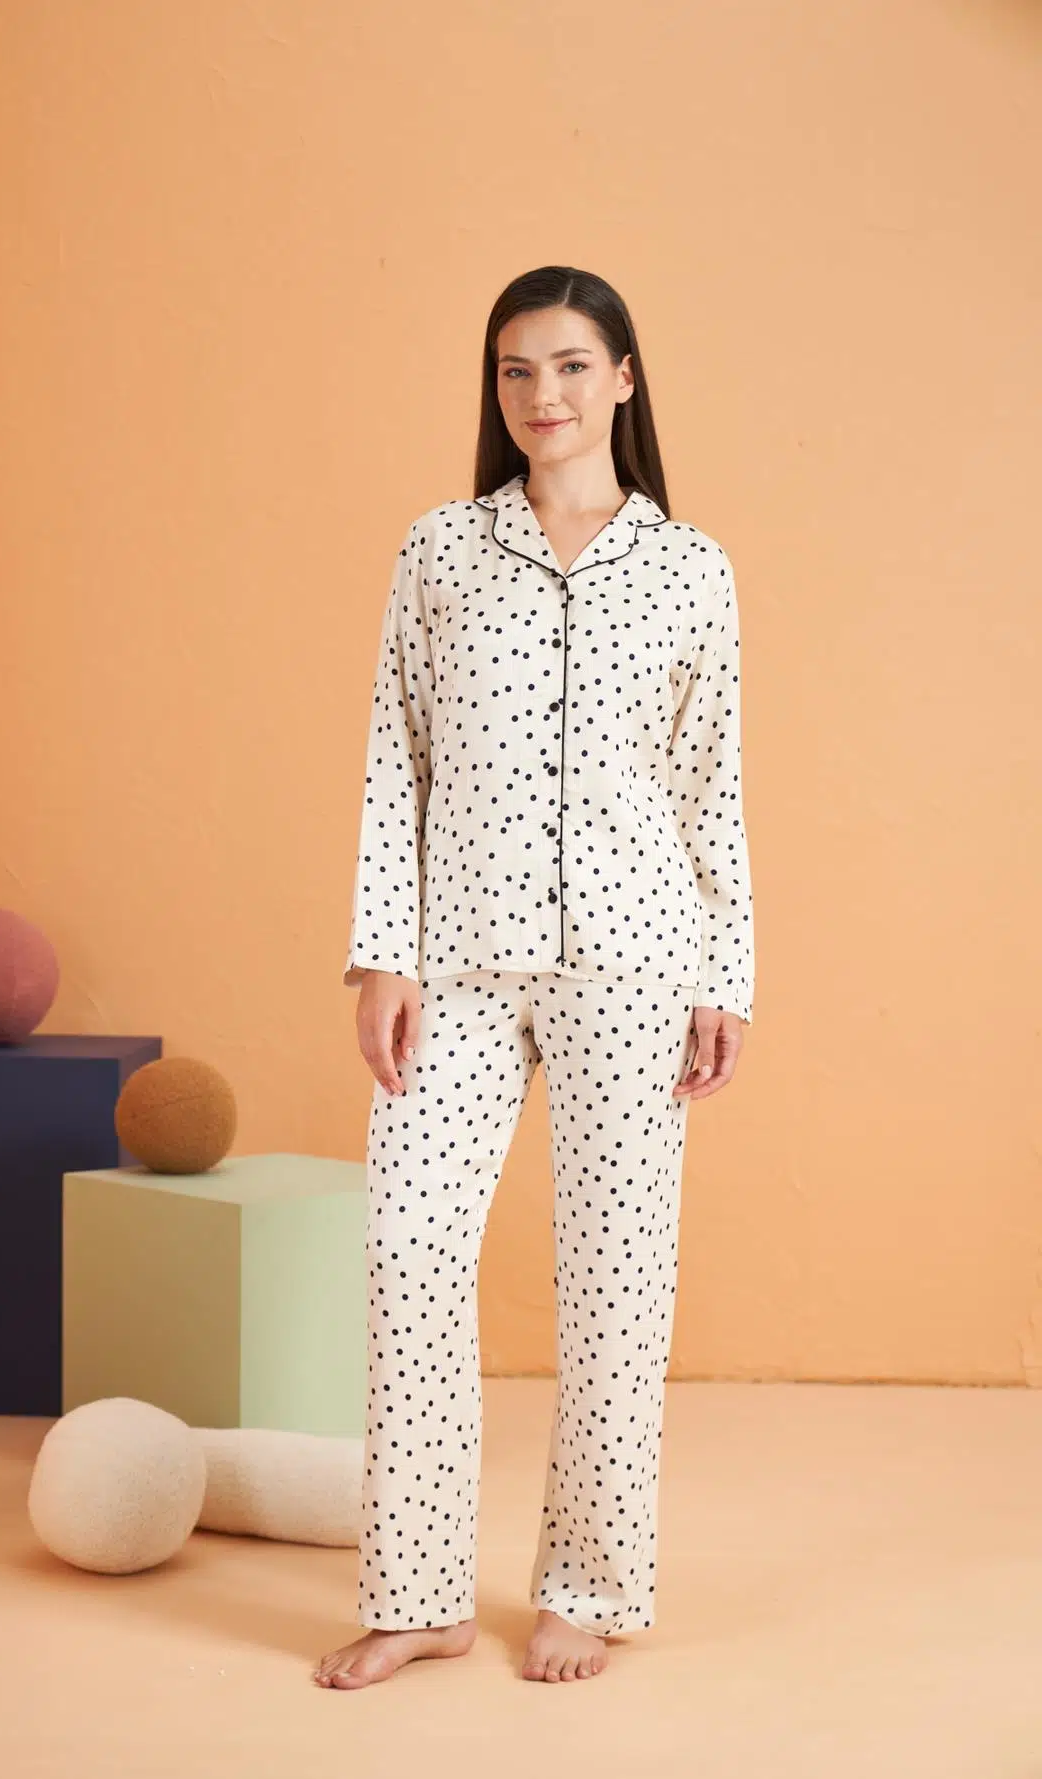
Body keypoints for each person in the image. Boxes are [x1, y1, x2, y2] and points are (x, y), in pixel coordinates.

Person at [314, 265, 755, 1690]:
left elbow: (710, 786)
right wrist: (380, 952)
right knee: (408, 1248)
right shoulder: (441, 550)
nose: (542, 395)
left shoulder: (691, 570)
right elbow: (395, 756)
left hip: (638, 960)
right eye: (516, 370)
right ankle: (420, 1592)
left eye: (570, 366)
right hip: (456, 960)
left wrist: (725, 975)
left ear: (623, 378)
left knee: (617, 1281)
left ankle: (589, 1589)